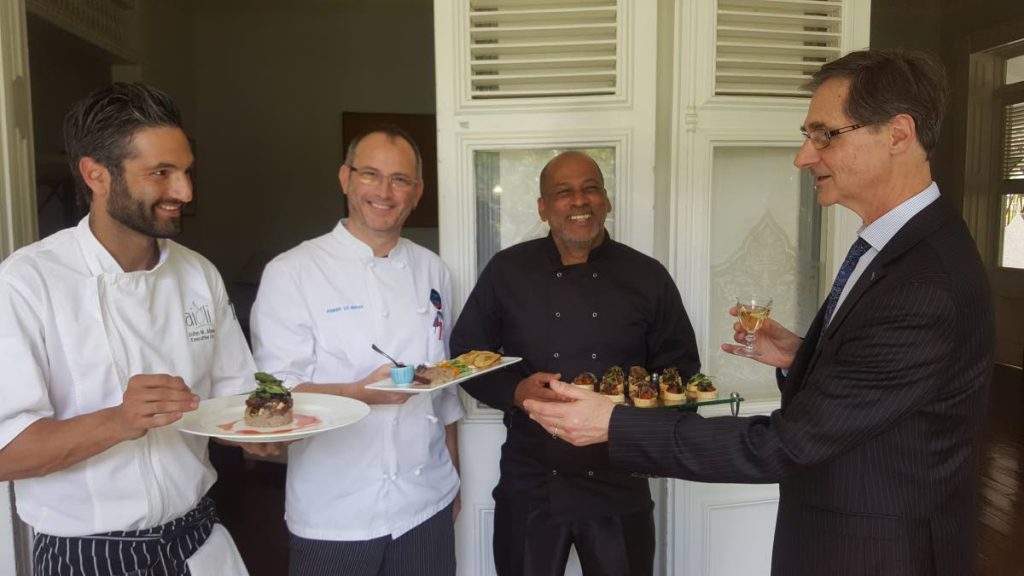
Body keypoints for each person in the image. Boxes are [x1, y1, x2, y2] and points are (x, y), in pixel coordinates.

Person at [524, 48, 994, 576]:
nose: (804, 156)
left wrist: (615, 423)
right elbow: (881, 391)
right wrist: (804, 356)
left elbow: (788, 444)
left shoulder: (926, 282)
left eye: (825, 135)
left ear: (898, 133)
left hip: (873, 553)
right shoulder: (903, 248)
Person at [0, 83, 255, 575]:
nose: (184, 192)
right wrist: (118, 421)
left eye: (185, 172)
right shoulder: (27, 283)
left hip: (201, 542)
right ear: (96, 174)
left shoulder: (198, 272)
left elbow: (234, 403)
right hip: (89, 556)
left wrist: (263, 434)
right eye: (161, 173)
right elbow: (6, 454)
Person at [451, 150, 701, 576]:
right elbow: (465, 354)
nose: (579, 202)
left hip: (619, 483)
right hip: (531, 480)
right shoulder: (507, 270)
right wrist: (515, 390)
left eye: (590, 189)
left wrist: (644, 423)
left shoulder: (647, 276)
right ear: (543, 207)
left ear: (607, 200)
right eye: (563, 193)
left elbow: (681, 372)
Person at [250, 126, 463, 576]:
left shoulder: (433, 270)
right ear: (345, 178)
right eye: (370, 174)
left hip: (427, 502)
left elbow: (444, 388)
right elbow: (277, 394)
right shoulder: (292, 272)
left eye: (401, 179)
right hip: (334, 513)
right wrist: (359, 391)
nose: (384, 192)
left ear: (418, 192)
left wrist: (454, 481)